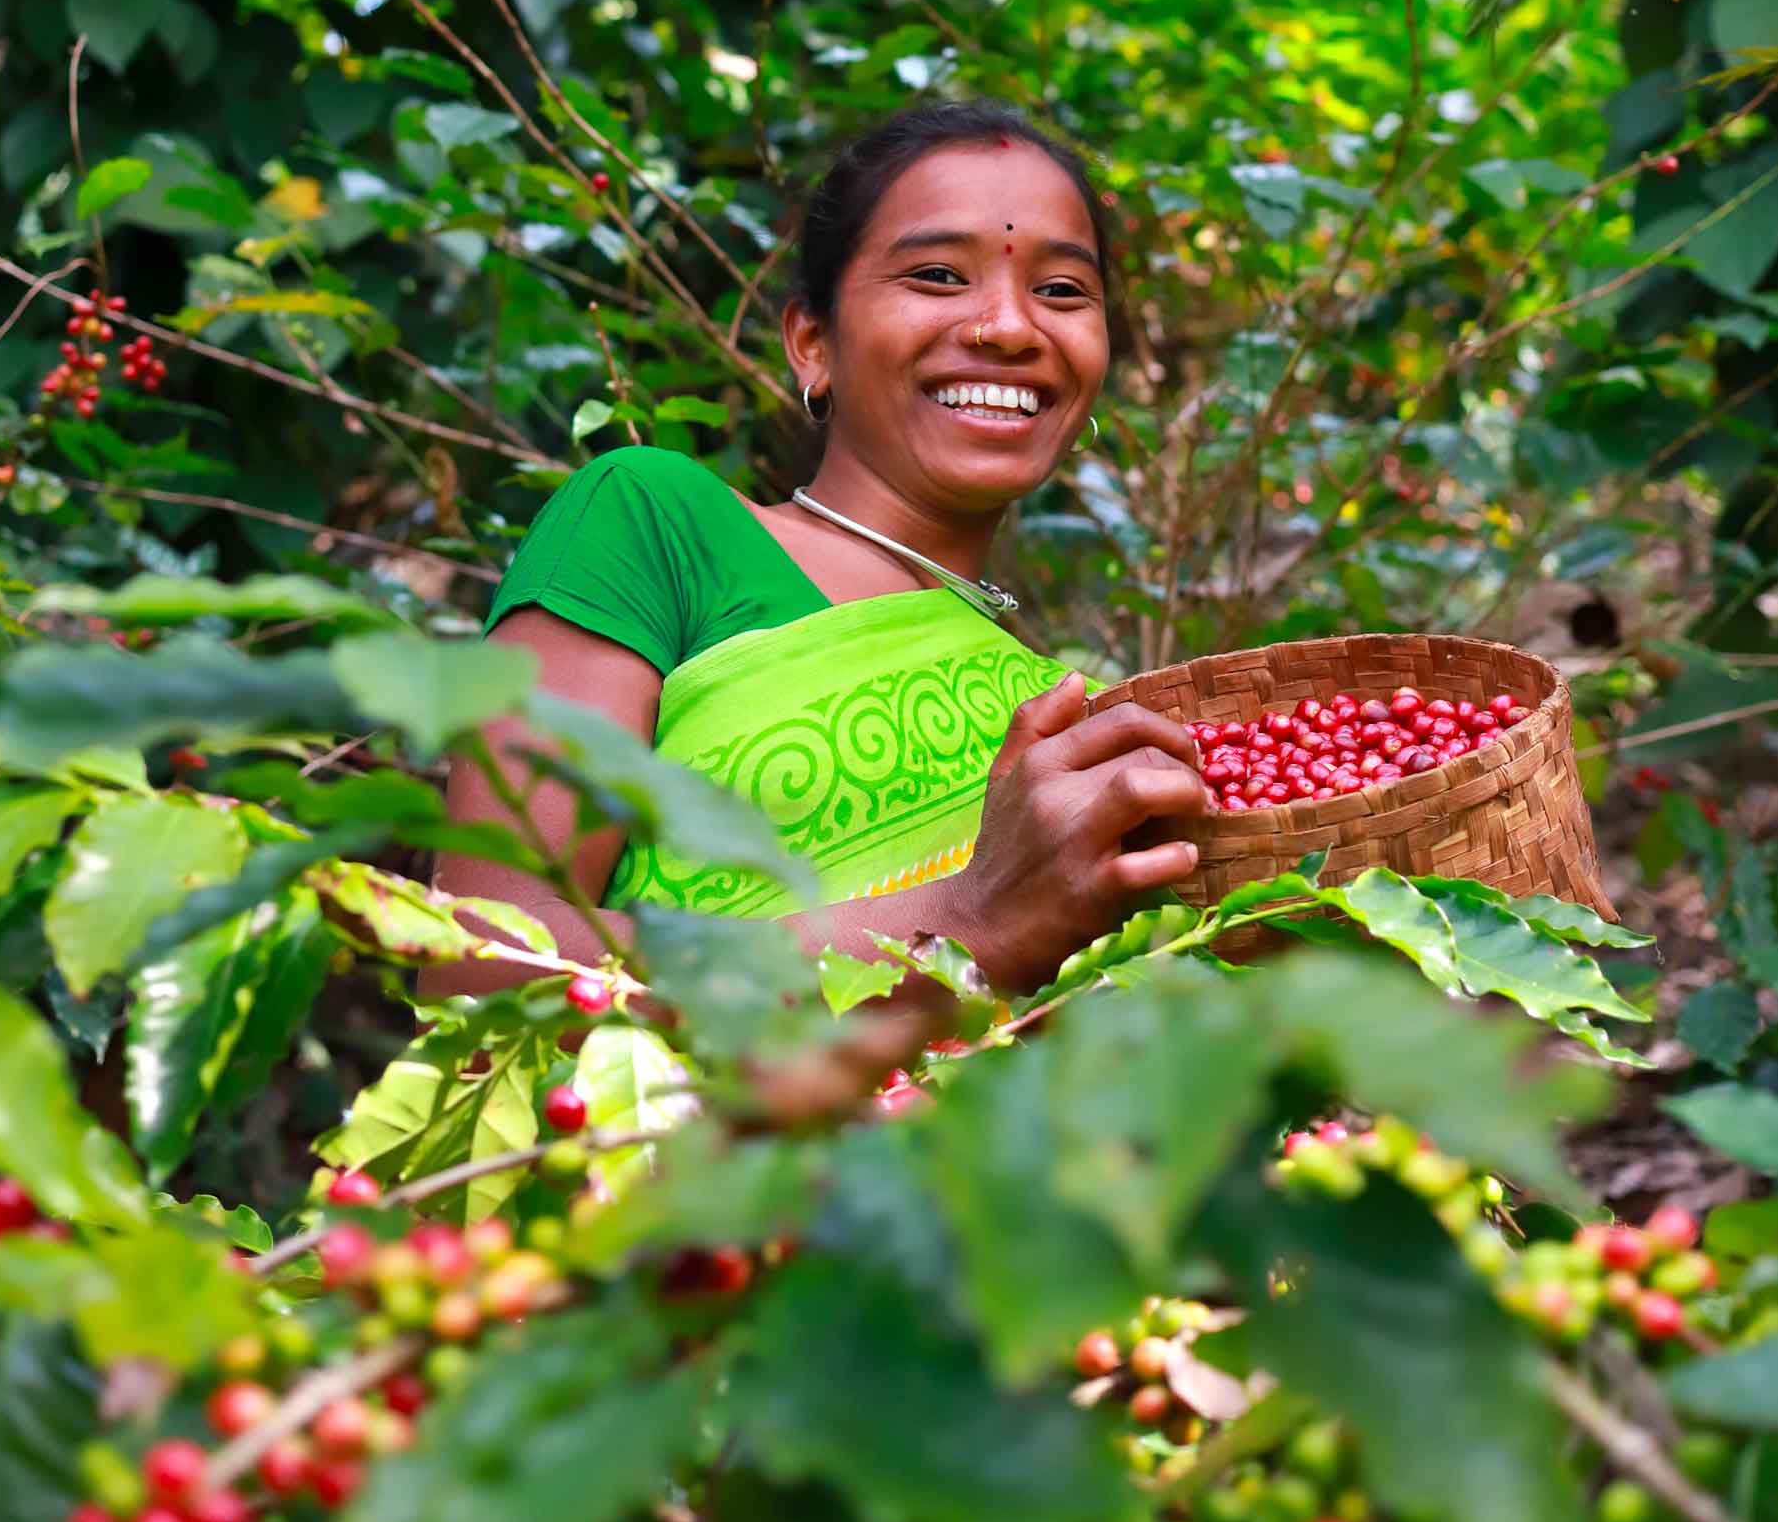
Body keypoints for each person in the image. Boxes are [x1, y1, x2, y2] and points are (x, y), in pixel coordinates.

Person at [437, 99, 1214, 993]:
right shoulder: (657, 522)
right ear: (813, 344)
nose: (1010, 326)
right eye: (936, 275)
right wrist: (959, 923)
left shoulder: (1055, 717)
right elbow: (481, 956)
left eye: (1062, 292)